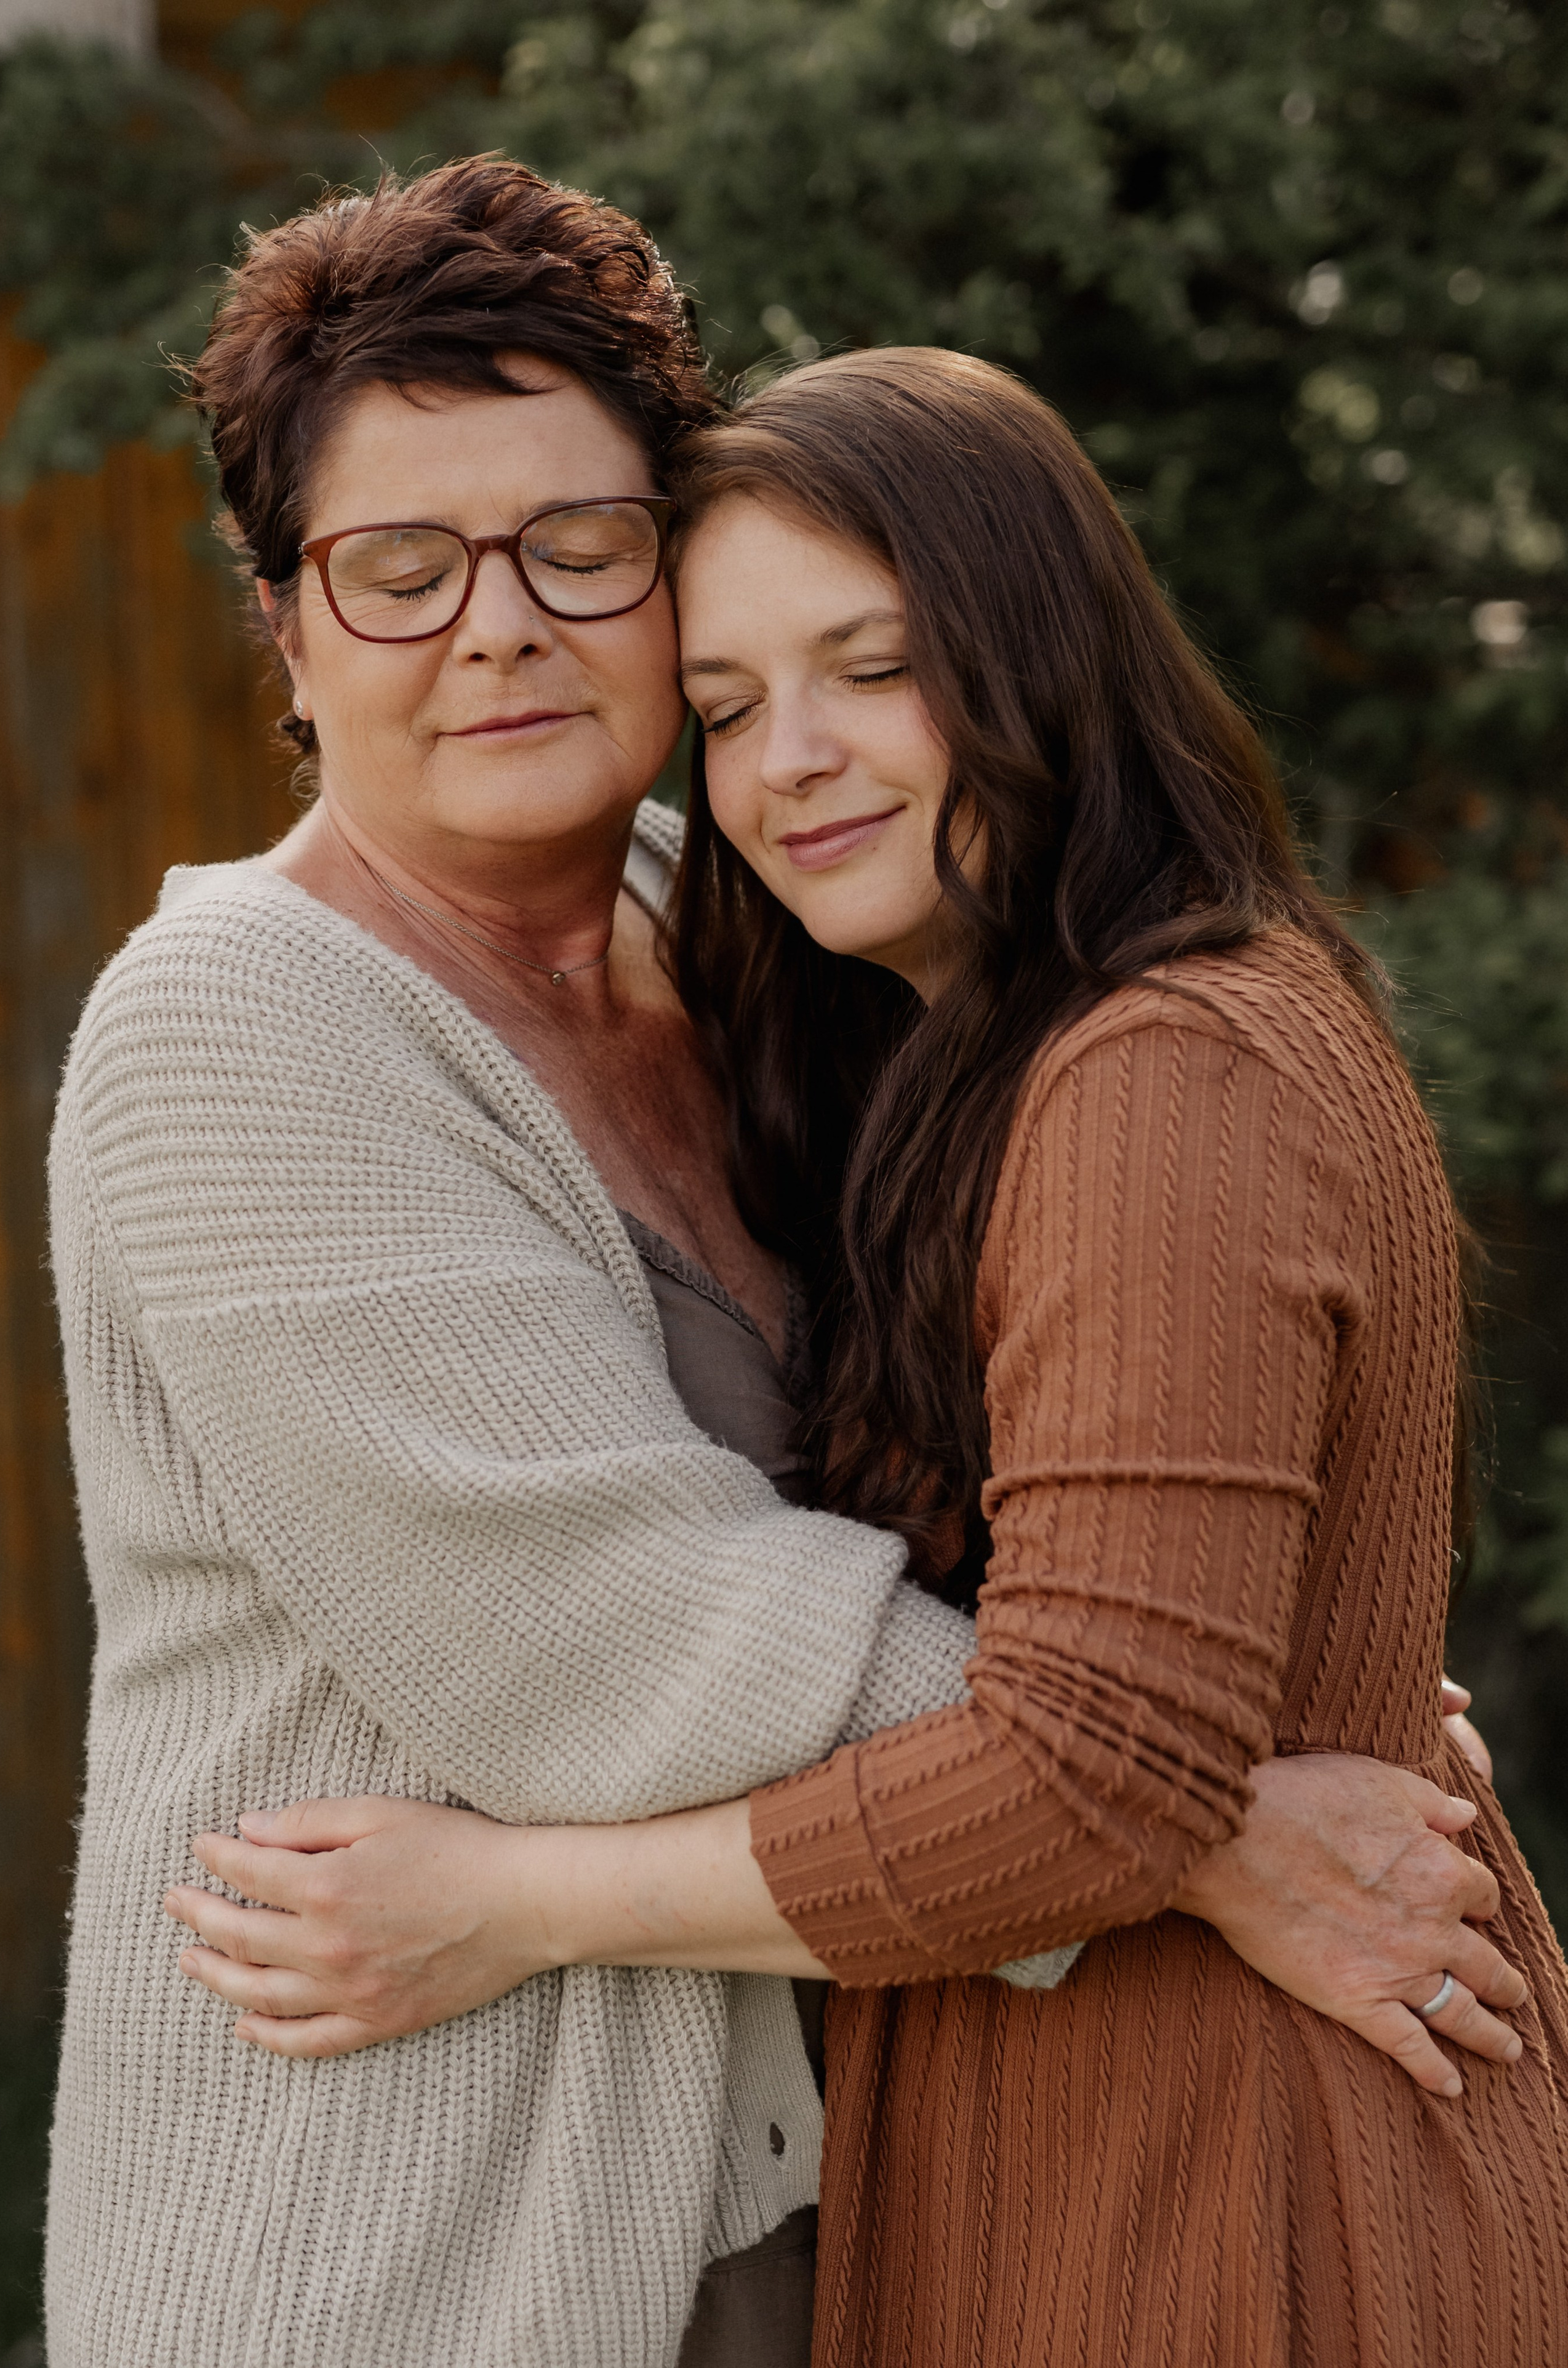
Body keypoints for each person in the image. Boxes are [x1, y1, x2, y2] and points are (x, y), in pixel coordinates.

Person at [171, 348, 1568, 2366]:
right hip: (1102, 2131)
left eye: (871, 667)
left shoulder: (1159, 1073)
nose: (790, 759)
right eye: (728, 708)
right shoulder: (992, 1061)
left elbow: (1094, 1777)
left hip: (1216, 2182)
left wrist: (510, 1902)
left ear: (1036, 647)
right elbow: (1140, 1713)